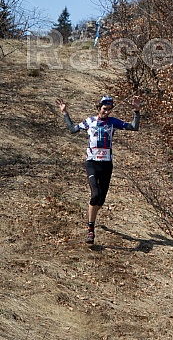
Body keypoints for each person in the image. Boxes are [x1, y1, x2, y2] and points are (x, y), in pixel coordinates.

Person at [56, 94, 141, 244]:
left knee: (101, 200)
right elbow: (72, 129)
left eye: (109, 109)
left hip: (107, 165)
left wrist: (136, 111)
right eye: (104, 108)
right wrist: (65, 113)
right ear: (98, 108)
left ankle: (92, 213)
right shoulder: (90, 121)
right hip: (92, 163)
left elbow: (134, 127)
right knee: (95, 194)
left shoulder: (113, 122)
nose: (106, 112)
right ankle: (90, 229)